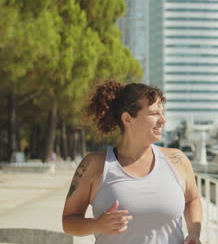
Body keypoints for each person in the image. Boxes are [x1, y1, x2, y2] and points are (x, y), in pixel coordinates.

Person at [62, 80, 202, 244]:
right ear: (128, 119)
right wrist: (97, 225)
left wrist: (194, 232)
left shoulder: (177, 160)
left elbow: (192, 200)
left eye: (162, 113)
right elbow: (69, 222)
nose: (163, 120)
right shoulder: (94, 165)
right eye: (153, 114)